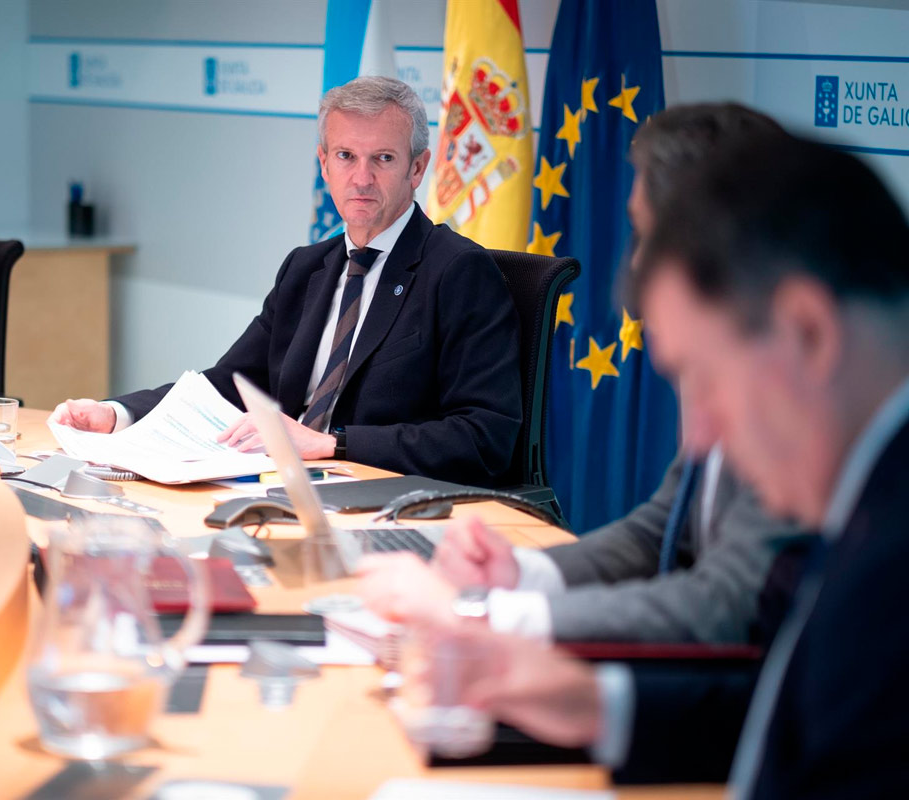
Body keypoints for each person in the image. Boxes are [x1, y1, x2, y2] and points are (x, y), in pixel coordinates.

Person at [436, 134, 909, 797]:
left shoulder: (888, 565)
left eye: (704, 377)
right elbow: (794, 717)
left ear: (809, 332)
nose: (700, 435)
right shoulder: (866, 507)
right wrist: (596, 703)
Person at [360, 104, 806, 644]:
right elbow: (659, 531)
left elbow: (725, 604)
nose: (638, 265)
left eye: (650, 236)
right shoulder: (738, 373)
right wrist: (524, 574)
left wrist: (481, 615)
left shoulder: (798, 400)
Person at [50, 77, 521, 487]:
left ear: (417, 168)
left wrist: (331, 444)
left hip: (385, 499)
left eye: (382, 158)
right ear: (324, 165)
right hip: (285, 486)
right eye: (345, 156)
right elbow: (226, 386)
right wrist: (117, 414)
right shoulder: (307, 268)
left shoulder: (459, 272)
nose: (361, 178)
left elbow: (483, 436)